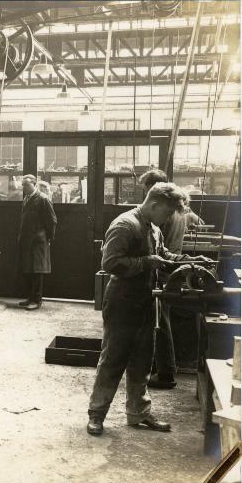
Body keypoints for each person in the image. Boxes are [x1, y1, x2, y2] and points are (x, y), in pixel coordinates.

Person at [86, 182, 213, 436]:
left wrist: (190, 260)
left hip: (146, 301)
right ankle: (97, 414)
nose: (168, 219)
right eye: (167, 213)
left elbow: (164, 255)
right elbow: (110, 263)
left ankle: (138, 413)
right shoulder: (125, 224)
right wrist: (146, 262)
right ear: (154, 205)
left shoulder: (154, 227)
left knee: (143, 360)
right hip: (122, 301)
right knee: (113, 359)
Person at [138, 169, 205, 389]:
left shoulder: (164, 214)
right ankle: (161, 369)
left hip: (163, 270)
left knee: (160, 322)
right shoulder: (179, 211)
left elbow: (158, 248)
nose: (146, 195)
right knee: (160, 320)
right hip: (171, 267)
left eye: (148, 191)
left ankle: (166, 373)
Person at [18, 174, 57, 310]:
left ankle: (37, 300)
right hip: (27, 240)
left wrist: (49, 238)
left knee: (37, 271)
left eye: (26, 185)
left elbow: (52, 221)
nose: (24, 187)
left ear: (34, 185)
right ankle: (30, 297)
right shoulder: (27, 198)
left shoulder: (43, 199)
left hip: (38, 241)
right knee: (29, 269)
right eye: (23, 185)